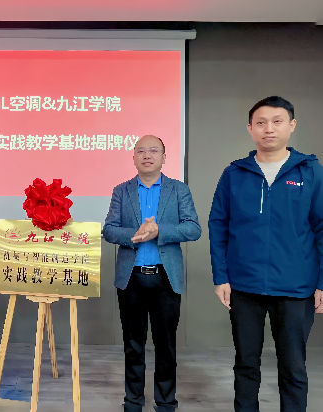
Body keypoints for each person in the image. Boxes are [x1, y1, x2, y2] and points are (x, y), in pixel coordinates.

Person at [209, 96, 323, 412]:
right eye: (261, 122)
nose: (268, 129)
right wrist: (221, 276)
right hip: (244, 286)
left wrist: (322, 282)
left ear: (291, 126)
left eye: (277, 121)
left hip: (296, 287)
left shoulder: (310, 171)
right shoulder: (234, 173)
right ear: (250, 128)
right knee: (246, 364)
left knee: (293, 367)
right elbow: (218, 225)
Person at [103, 135, 201, 412]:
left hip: (166, 278)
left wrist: (159, 230)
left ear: (164, 157)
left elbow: (193, 228)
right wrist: (135, 234)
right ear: (133, 157)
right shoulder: (121, 191)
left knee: (166, 345)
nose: (147, 155)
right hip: (131, 278)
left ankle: (166, 403)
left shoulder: (178, 190)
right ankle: (133, 401)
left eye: (154, 151)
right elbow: (109, 229)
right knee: (133, 345)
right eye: (141, 151)